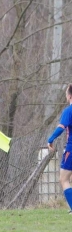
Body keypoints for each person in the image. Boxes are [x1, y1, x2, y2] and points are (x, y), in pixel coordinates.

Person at [48, 83, 72, 214]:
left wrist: (50, 139)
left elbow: (61, 127)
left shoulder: (69, 111)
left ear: (69, 96)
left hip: (71, 148)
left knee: (63, 179)